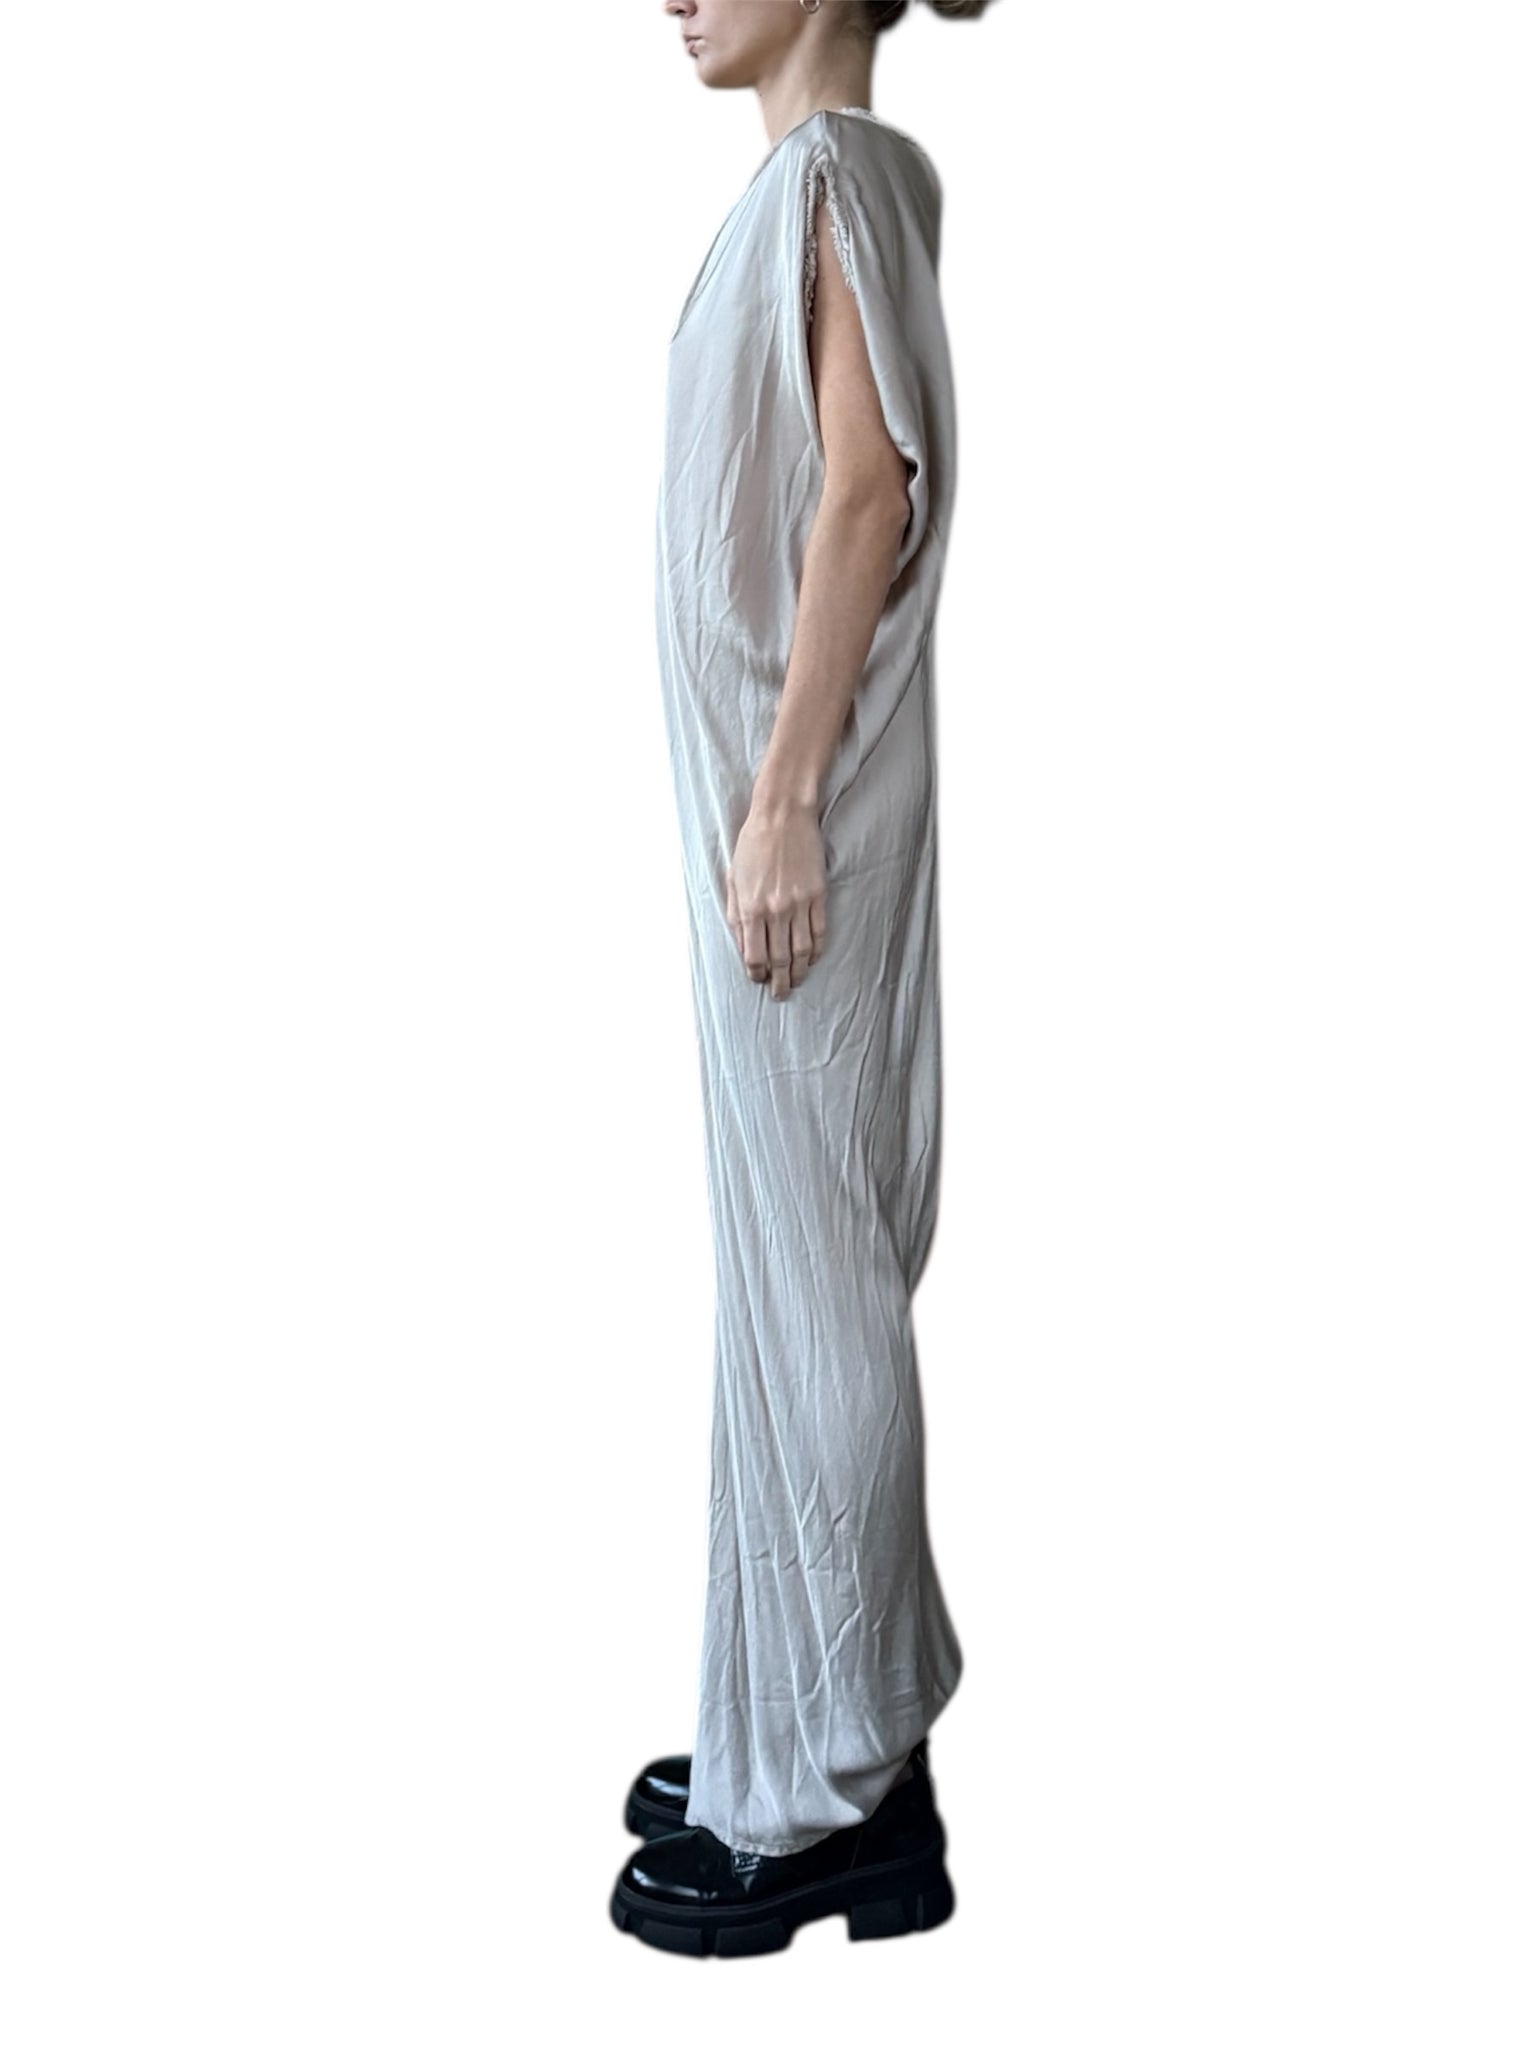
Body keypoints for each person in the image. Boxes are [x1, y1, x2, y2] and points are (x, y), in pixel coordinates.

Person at [610, 0, 990, 1958]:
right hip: (771, 830)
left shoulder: (836, 175)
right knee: (786, 1279)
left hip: (797, 839)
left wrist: (780, 801)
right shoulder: (814, 189)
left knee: (819, 1282)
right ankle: (802, 1715)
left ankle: (838, 1792)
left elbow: (864, 492)